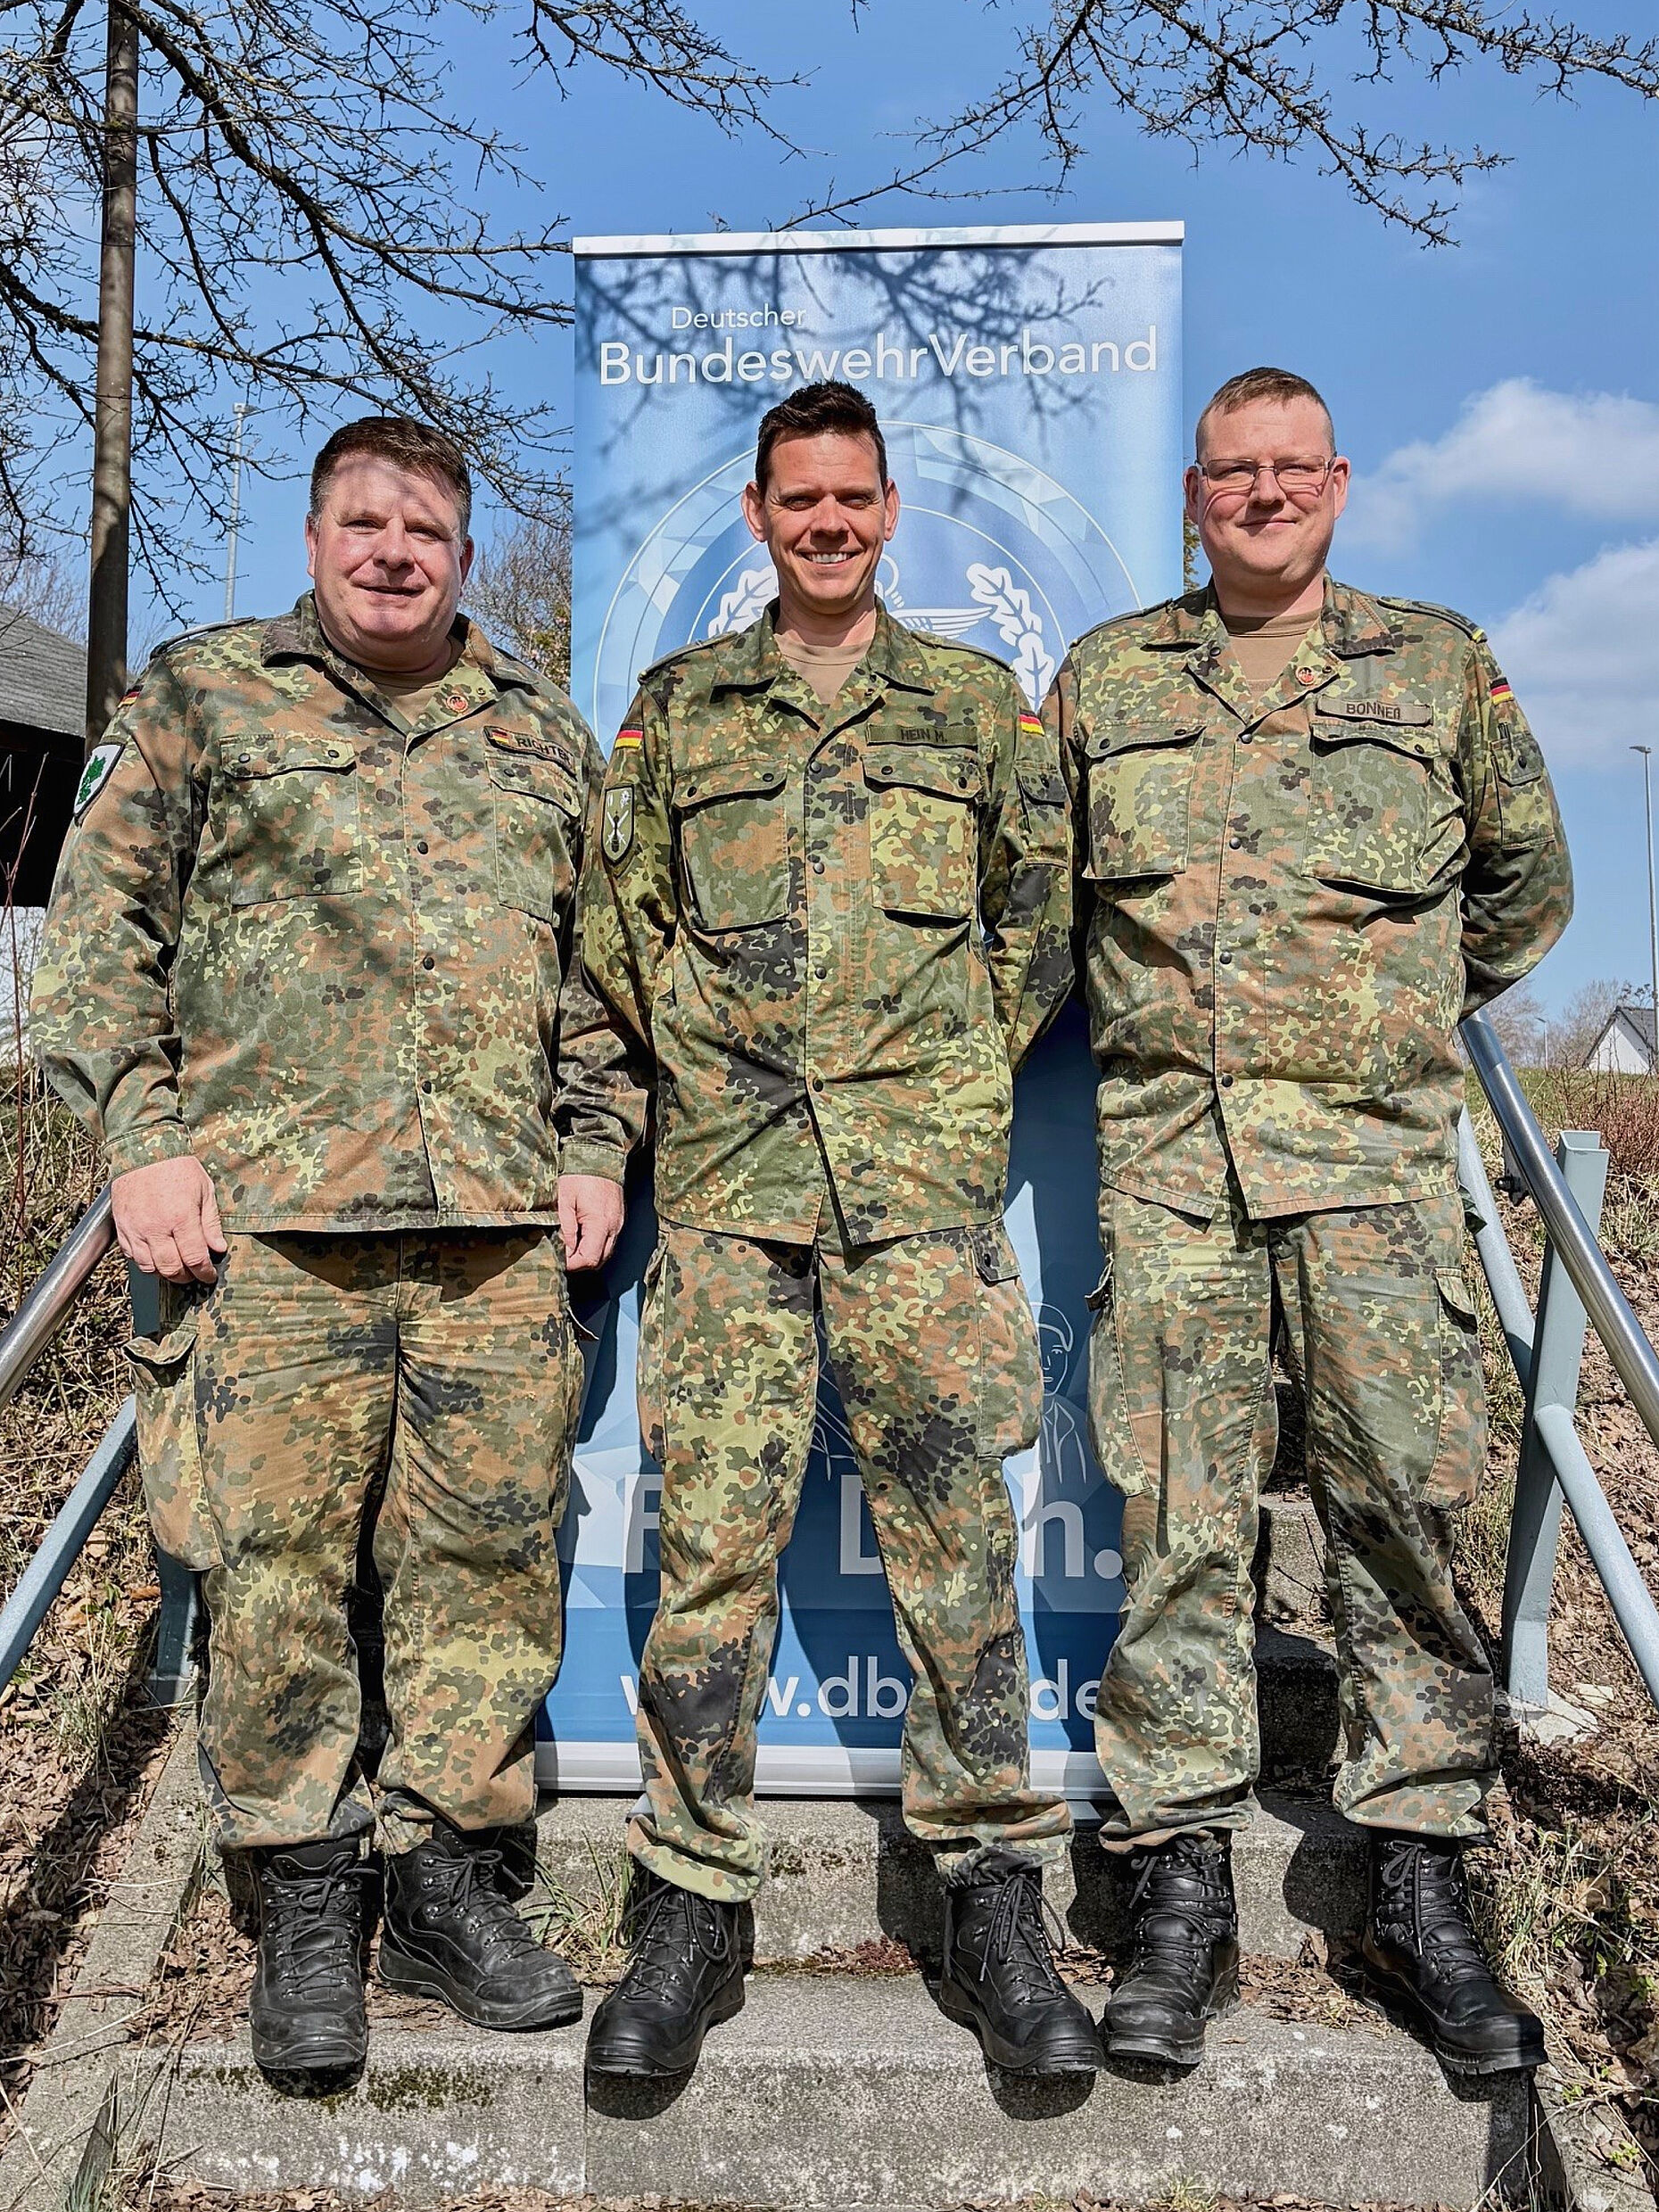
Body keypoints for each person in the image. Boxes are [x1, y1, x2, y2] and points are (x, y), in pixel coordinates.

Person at [31, 417, 640, 2084]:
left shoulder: (540, 736)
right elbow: (96, 938)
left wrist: (594, 1144)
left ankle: (444, 1879)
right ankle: (304, 1899)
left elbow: (602, 980)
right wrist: (140, 1137)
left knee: (486, 1564)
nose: (394, 553)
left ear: (463, 553)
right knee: (274, 1569)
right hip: (268, 1235)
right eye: (365, 524)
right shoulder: (203, 698)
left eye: (425, 531)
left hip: (496, 1239)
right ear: (315, 541)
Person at [1047, 366, 1572, 2075]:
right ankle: (1176, 1882)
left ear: (1337, 483)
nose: (1262, 494)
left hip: (1374, 1177)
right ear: (1192, 495)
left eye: (1291, 469)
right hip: (1175, 1177)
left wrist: (1380, 1025)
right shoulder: (1109, 681)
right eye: (1232, 472)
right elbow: (1038, 918)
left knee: (1403, 1519)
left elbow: (1526, 892)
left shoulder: (1435, 667)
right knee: (1178, 1529)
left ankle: (1417, 1872)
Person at [577, 380, 1094, 2081]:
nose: (827, 523)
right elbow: (623, 930)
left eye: (852, 498)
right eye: (798, 498)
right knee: (711, 1555)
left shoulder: (973, 707)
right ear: (758, 513)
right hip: (732, 1196)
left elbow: (1038, 920)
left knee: (957, 1551)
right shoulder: (680, 711)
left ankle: (991, 1897)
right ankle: (688, 1906)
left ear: (888, 509)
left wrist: (936, 1072)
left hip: (918, 1203)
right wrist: (731, 1067)